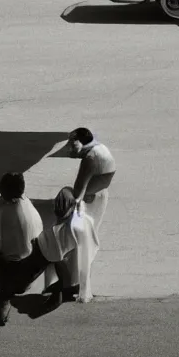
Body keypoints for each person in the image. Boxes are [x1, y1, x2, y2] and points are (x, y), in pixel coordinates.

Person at [42, 128, 115, 300]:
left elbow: (78, 192)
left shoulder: (90, 158)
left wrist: (64, 197)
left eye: (72, 143)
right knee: (85, 242)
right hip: (98, 196)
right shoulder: (99, 149)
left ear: (81, 141)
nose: (69, 147)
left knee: (74, 242)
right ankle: (77, 282)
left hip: (89, 201)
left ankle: (71, 283)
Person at [0, 172, 54, 326]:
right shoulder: (30, 207)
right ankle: (6, 293)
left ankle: (4, 297)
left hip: (8, 274)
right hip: (31, 273)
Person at [37, 187, 101, 305]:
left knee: (52, 252)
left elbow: (51, 255)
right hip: (82, 281)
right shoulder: (86, 221)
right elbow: (95, 246)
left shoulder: (60, 230)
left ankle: (57, 289)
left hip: (68, 283)